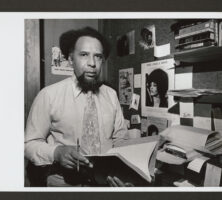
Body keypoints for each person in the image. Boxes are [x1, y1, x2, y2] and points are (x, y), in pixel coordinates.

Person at [25, 27, 129, 187]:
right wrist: (57, 153)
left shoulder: (111, 95)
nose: (92, 63)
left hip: (105, 183)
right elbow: (29, 144)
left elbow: (121, 139)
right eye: (84, 55)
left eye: (98, 57)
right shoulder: (49, 95)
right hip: (64, 184)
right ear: (70, 59)